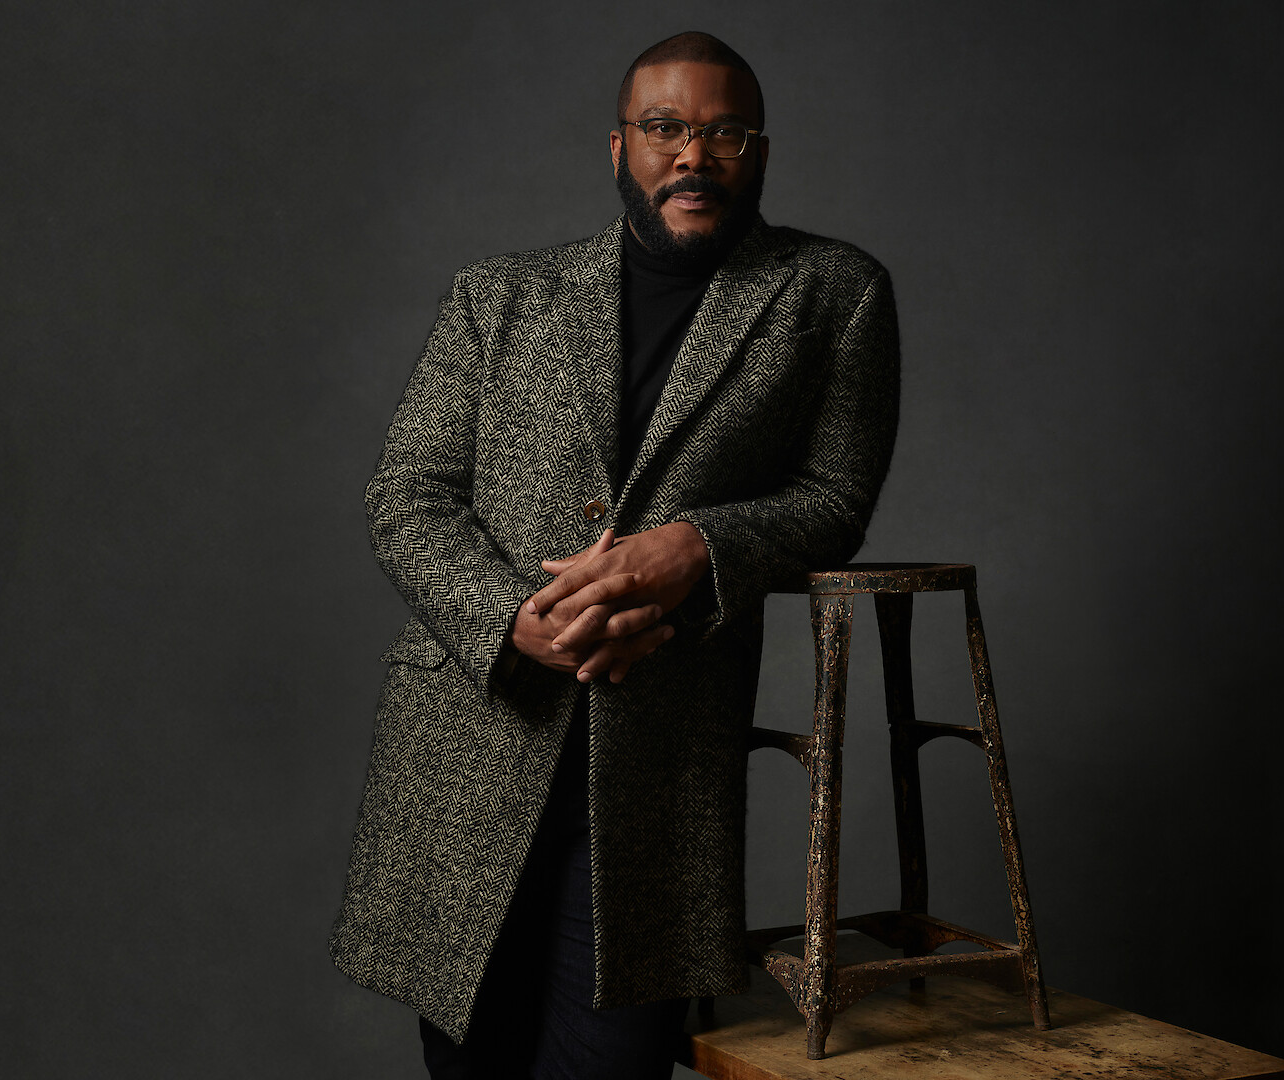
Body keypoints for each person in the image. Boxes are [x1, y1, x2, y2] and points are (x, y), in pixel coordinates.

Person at [330, 30, 900, 1078]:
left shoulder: (832, 292)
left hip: (659, 756)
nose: (694, 153)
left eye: (722, 130)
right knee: (467, 1062)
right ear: (619, 148)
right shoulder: (496, 298)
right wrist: (513, 618)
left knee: (612, 1060)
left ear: (758, 151)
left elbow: (835, 496)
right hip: (472, 742)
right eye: (665, 128)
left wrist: (696, 545)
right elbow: (405, 494)